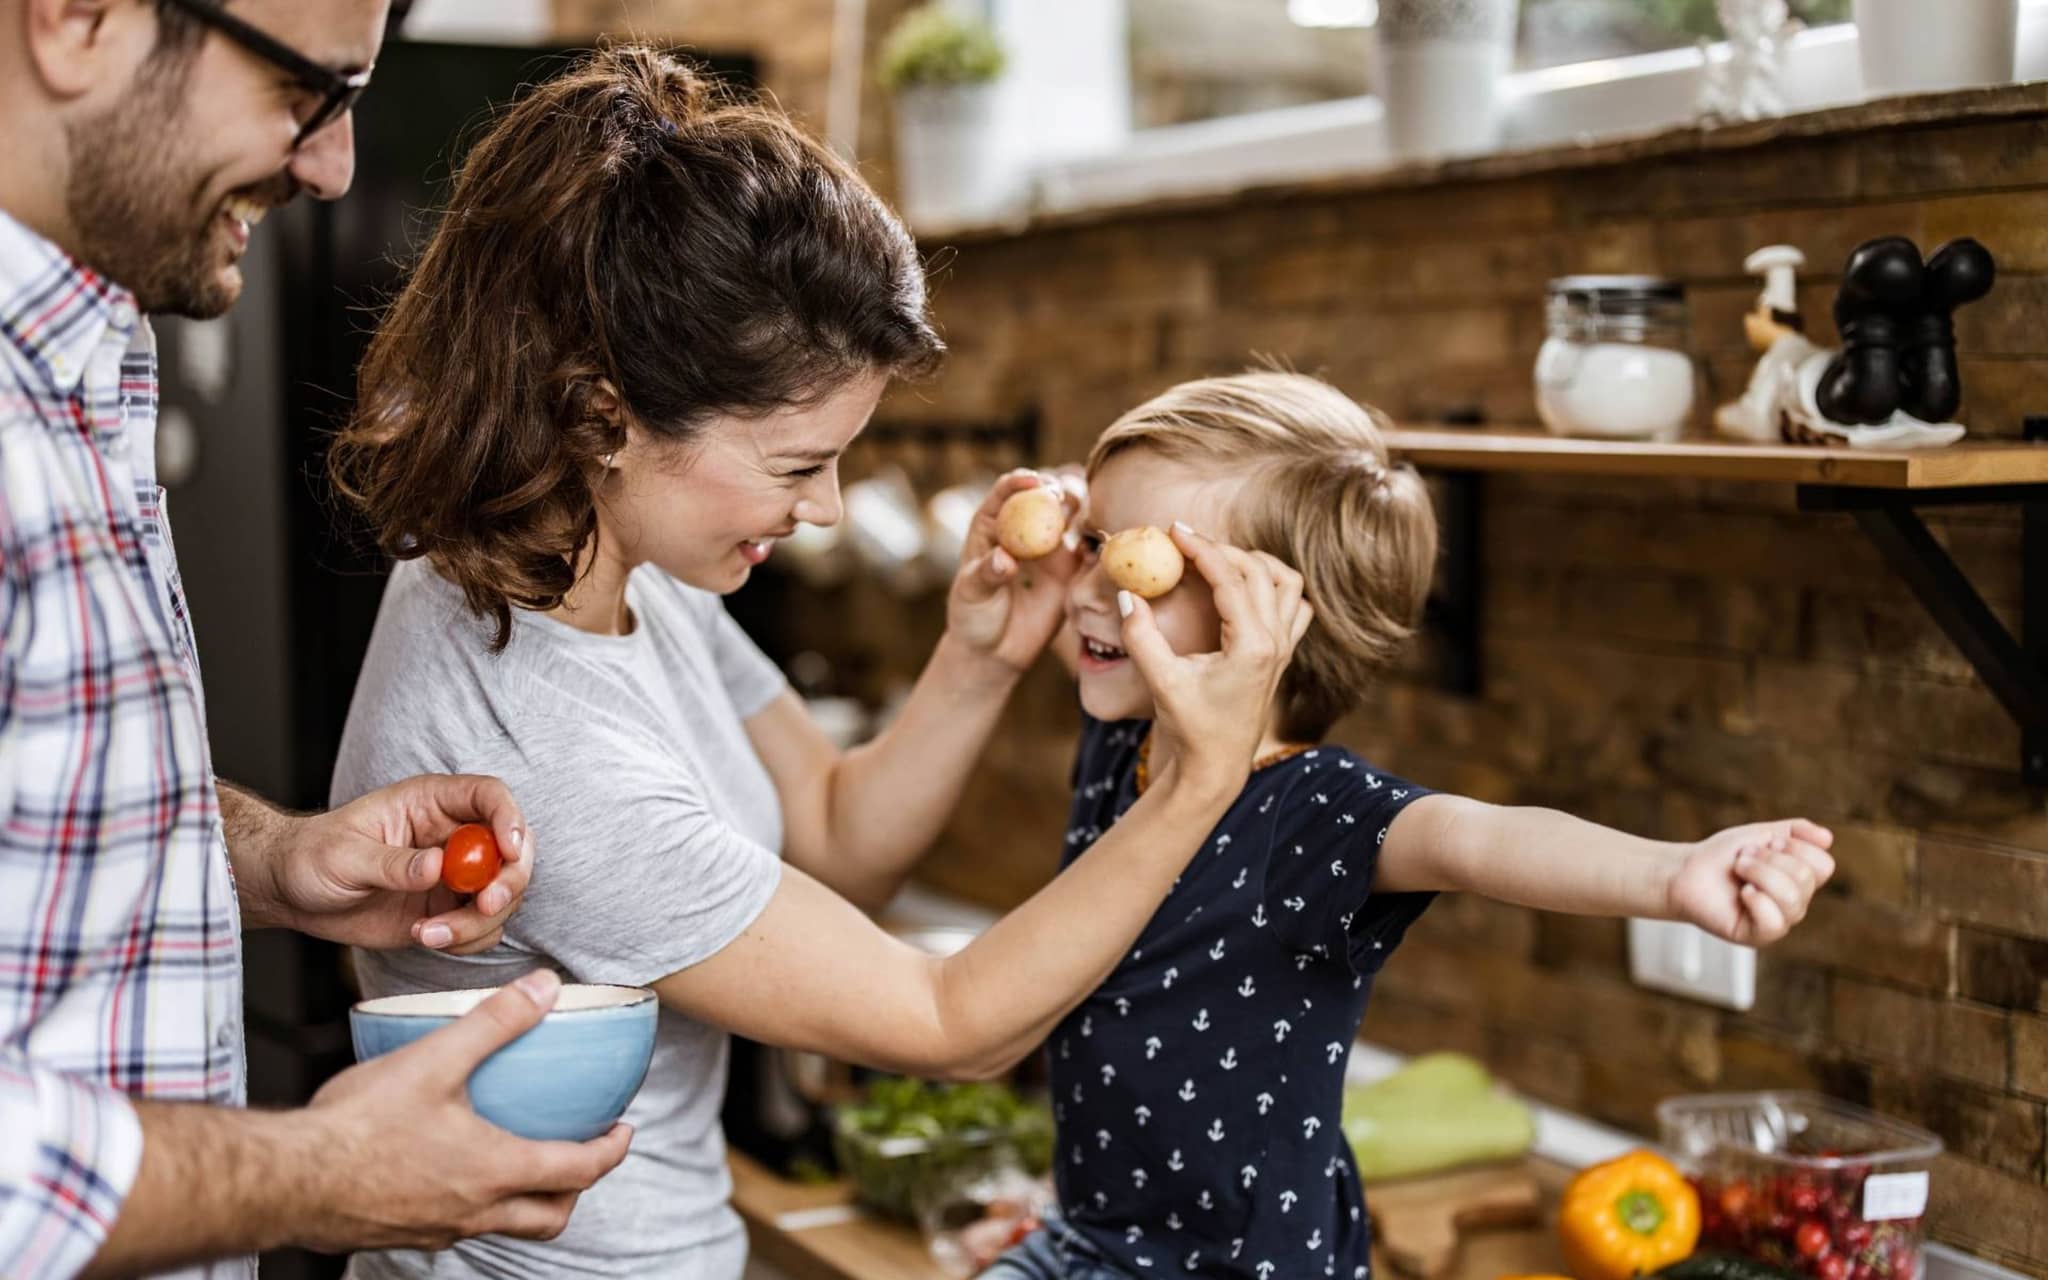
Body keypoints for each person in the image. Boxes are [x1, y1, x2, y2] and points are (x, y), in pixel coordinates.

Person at [325, 45, 1310, 1279]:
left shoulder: (584, 568)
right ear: (600, 414)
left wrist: (975, 657)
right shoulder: (537, 741)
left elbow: (833, 831)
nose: (831, 509)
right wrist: (1198, 780)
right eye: (796, 464)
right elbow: (946, 1024)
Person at [0, 3, 631, 1277]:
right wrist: (320, 1170)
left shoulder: (85, 365)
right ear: (80, 20)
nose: (336, 166)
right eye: (310, 90)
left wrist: (275, 857)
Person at [983, 370, 1837, 1280]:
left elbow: (1477, 839)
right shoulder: (1128, 740)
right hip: (1085, 1237)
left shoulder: (1315, 815)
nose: (1085, 589)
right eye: (1090, 544)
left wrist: (1672, 874)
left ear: (1270, 619)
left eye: (1131, 562)